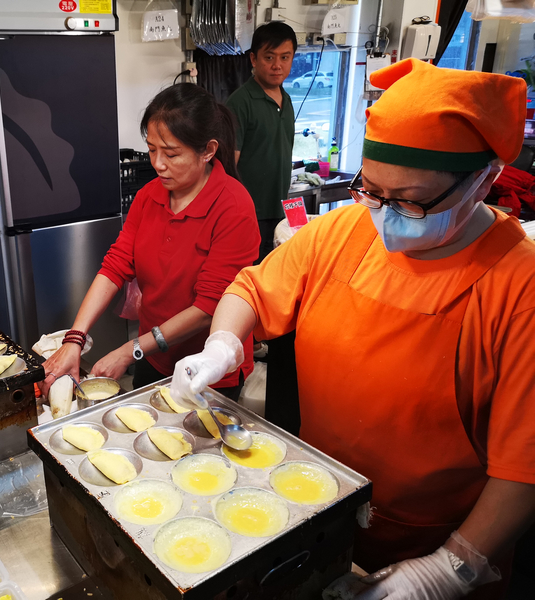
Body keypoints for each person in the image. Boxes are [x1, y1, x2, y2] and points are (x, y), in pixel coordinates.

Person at [172, 59, 535, 599]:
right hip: (315, 504)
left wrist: (450, 568)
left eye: (409, 201)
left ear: (484, 179)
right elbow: (250, 288)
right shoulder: (344, 231)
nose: (384, 215)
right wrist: (222, 344)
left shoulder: (519, 287)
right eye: (372, 190)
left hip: (435, 540)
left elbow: (524, 467)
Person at [41, 84, 259, 400]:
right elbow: (115, 266)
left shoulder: (234, 206)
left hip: (207, 370)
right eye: (152, 149)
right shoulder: (149, 196)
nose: (158, 163)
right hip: (153, 356)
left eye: (171, 153)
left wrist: (129, 350)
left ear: (208, 151)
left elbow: (208, 308)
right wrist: (74, 339)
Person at [226, 22, 297, 262]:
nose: (277, 65)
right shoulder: (240, 102)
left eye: (285, 57)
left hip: (282, 210)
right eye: (269, 57)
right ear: (254, 59)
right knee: (250, 281)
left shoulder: (286, 100)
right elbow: (227, 166)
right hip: (250, 214)